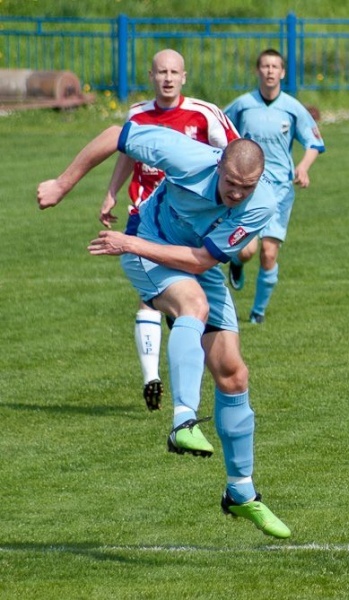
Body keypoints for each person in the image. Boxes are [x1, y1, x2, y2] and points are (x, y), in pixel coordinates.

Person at [37, 123, 291, 539]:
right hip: (148, 240)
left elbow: (201, 261)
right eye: (230, 183)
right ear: (219, 164)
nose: (237, 194)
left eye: (247, 186)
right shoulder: (187, 156)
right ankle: (183, 422)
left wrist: (129, 244)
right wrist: (63, 184)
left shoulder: (262, 204)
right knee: (192, 305)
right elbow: (116, 134)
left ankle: (241, 494)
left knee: (233, 372)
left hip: (177, 255)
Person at [101, 48, 239, 411]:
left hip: (191, 221)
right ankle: (152, 377)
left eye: (173, 72)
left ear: (184, 77)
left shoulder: (204, 113)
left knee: (188, 304)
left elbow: (236, 153)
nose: (167, 78)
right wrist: (110, 194)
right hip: (143, 213)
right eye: (161, 72)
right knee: (154, 297)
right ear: (151, 76)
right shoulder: (138, 114)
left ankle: (186, 379)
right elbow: (126, 153)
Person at [223, 48, 325, 324]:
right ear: (258, 71)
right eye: (265, 66)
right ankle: (236, 262)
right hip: (247, 189)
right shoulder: (242, 105)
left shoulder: (293, 109)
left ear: (282, 73)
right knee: (246, 251)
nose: (269, 71)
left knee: (268, 252)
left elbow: (314, 142)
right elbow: (219, 132)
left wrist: (303, 166)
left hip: (280, 190)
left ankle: (257, 313)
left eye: (274, 66)